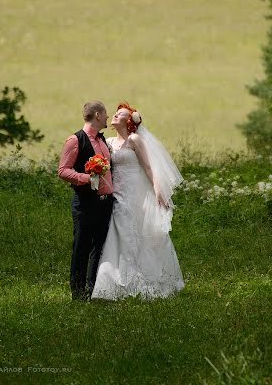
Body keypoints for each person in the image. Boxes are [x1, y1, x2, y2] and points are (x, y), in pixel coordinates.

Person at [91, 102, 184, 300]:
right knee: (120, 231)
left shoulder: (134, 140)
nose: (115, 116)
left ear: (130, 121)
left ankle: (148, 280)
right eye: (115, 113)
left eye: (120, 114)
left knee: (141, 232)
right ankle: (115, 282)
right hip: (118, 193)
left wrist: (158, 190)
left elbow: (148, 167)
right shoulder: (108, 143)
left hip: (136, 192)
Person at [58, 101, 113, 300]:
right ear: (97, 115)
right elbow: (63, 170)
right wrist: (86, 178)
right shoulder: (75, 140)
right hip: (85, 204)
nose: (108, 117)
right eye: (106, 113)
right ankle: (78, 294)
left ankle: (94, 290)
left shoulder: (103, 142)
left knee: (100, 248)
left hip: (106, 203)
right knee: (81, 248)